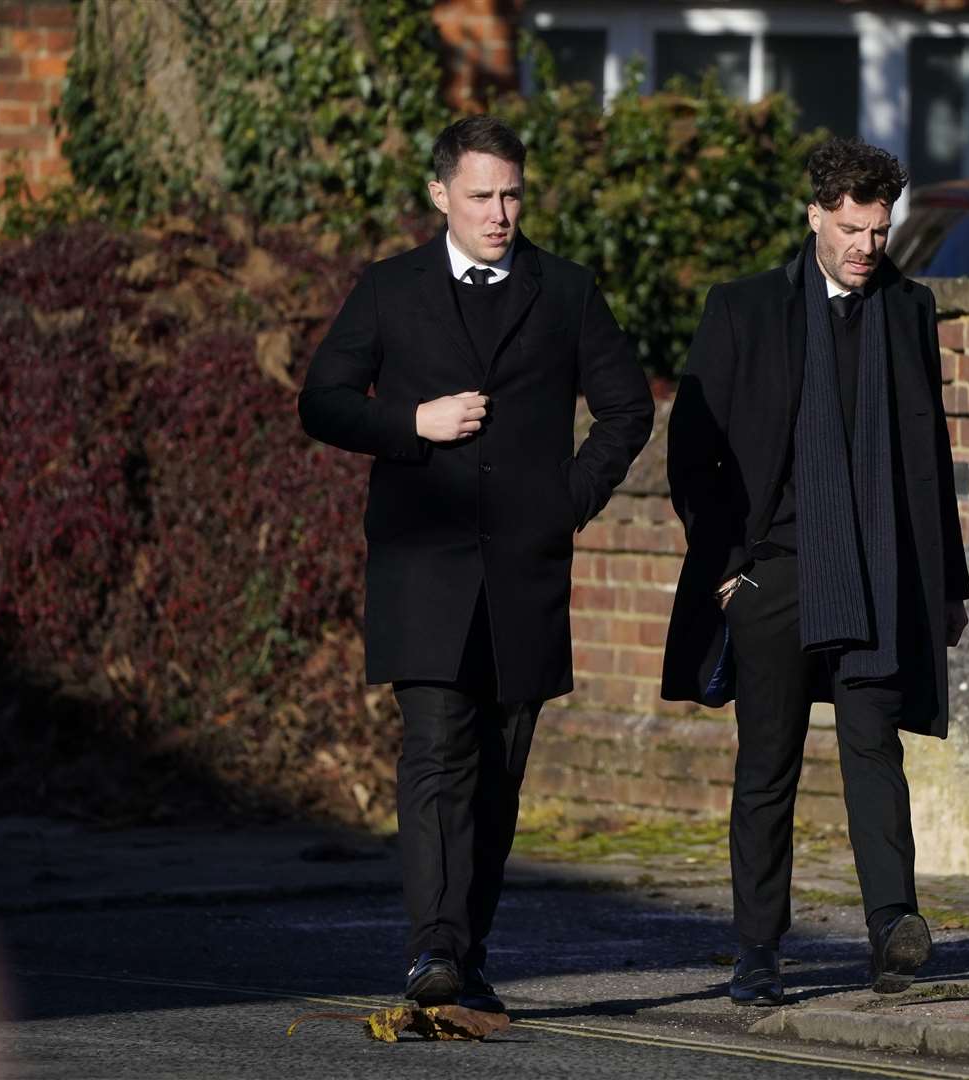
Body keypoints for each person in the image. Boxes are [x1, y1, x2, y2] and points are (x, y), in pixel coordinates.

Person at [298, 116, 653, 1011]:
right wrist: (409, 425)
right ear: (439, 195)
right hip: (422, 563)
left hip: (523, 573)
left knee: (497, 772)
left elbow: (625, 412)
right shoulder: (390, 289)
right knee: (434, 754)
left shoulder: (565, 291)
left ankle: (470, 949)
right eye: (482, 195)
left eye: (513, 194)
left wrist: (564, 505)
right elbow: (323, 401)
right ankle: (432, 951)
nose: (500, 213)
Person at [662, 138, 969, 1005]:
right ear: (814, 216)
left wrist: (946, 582)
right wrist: (728, 569)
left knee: (876, 749)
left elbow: (927, 451)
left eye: (878, 230)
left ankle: (892, 932)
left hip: (879, 569)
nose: (865, 246)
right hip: (777, 572)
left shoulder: (908, 308)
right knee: (768, 767)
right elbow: (694, 452)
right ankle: (758, 951)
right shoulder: (746, 309)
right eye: (850, 228)